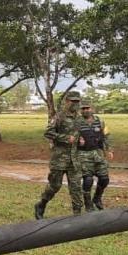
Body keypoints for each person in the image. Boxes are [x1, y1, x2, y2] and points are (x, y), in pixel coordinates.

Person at [32, 90, 84, 219]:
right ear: (67, 101)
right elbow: (48, 133)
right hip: (59, 158)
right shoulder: (59, 117)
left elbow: (78, 134)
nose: (75, 104)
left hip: (74, 159)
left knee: (76, 187)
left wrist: (81, 139)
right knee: (55, 185)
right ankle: (41, 204)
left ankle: (77, 216)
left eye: (77, 102)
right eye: (73, 101)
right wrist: (65, 138)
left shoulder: (79, 117)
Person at [78, 99, 113, 211]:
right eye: (83, 109)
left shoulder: (100, 122)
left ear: (92, 109)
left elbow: (106, 136)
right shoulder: (76, 123)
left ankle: (97, 198)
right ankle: (88, 205)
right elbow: (69, 137)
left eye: (87, 108)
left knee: (104, 179)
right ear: (80, 110)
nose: (86, 110)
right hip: (83, 154)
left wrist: (109, 150)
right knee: (88, 180)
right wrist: (78, 140)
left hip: (98, 154)